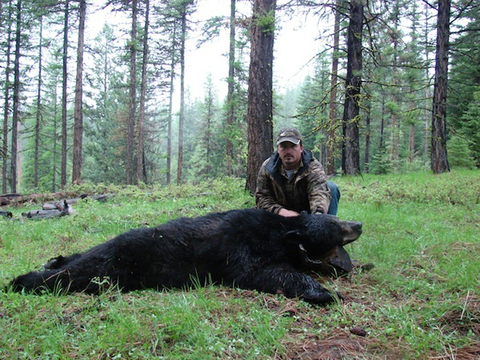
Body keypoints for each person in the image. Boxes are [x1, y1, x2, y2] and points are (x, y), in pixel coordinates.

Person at [256, 127, 340, 217]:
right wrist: (281, 211)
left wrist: (318, 216)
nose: (288, 151)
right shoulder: (268, 167)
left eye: (293, 146)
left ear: (301, 148)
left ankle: (327, 225)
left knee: (331, 187)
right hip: (279, 215)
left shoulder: (312, 167)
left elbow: (319, 193)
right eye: (284, 146)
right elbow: (261, 197)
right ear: (278, 149)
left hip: (308, 214)